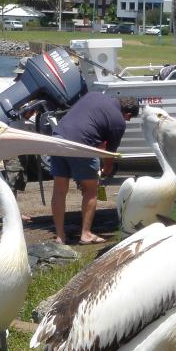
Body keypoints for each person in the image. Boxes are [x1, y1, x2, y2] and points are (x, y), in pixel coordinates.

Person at [49, 93, 139, 244]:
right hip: (80, 144)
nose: (127, 121)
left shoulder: (94, 95)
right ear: (128, 113)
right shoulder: (118, 121)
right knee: (90, 190)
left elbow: (88, 123)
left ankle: (60, 236)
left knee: (59, 189)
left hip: (58, 138)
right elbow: (109, 154)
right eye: (128, 118)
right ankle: (85, 234)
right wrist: (107, 169)